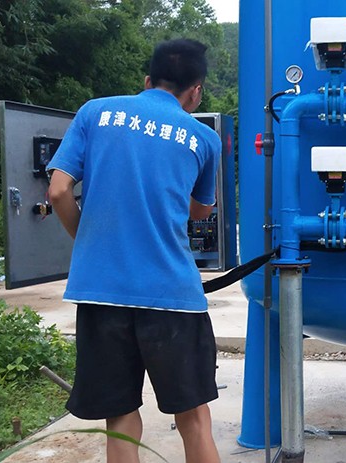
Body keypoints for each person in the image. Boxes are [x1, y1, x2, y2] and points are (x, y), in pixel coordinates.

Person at [47, 39, 222, 463]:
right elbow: (200, 210)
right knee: (193, 419)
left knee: (121, 418)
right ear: (196, 91)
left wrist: (88, 242)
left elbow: (58, 191)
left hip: (101, 294)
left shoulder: (95, 113)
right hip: (173, 298)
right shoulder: (203, 137)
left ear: (147, 80)